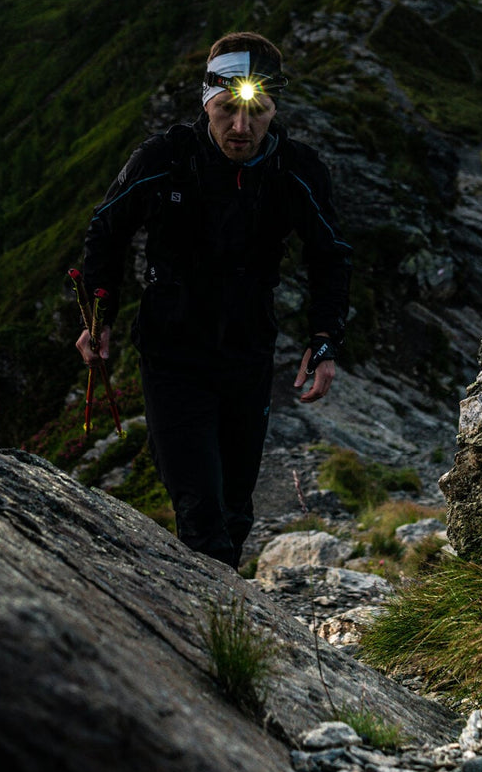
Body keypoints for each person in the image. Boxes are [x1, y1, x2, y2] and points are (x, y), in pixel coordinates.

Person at [76, 31, 352, 569]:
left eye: (257, 111)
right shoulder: (164, 158)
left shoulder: (296, 169)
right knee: (201, 512)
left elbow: (331, 255)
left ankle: (216, 607)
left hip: (247, 351)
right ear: (206, 101)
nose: (241, 127)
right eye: (227, 109)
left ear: (274, 109)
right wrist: (97, 314)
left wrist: (325, 340)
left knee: (235, 509)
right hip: (172, 352)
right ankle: (215, 618)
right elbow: (106, 230)